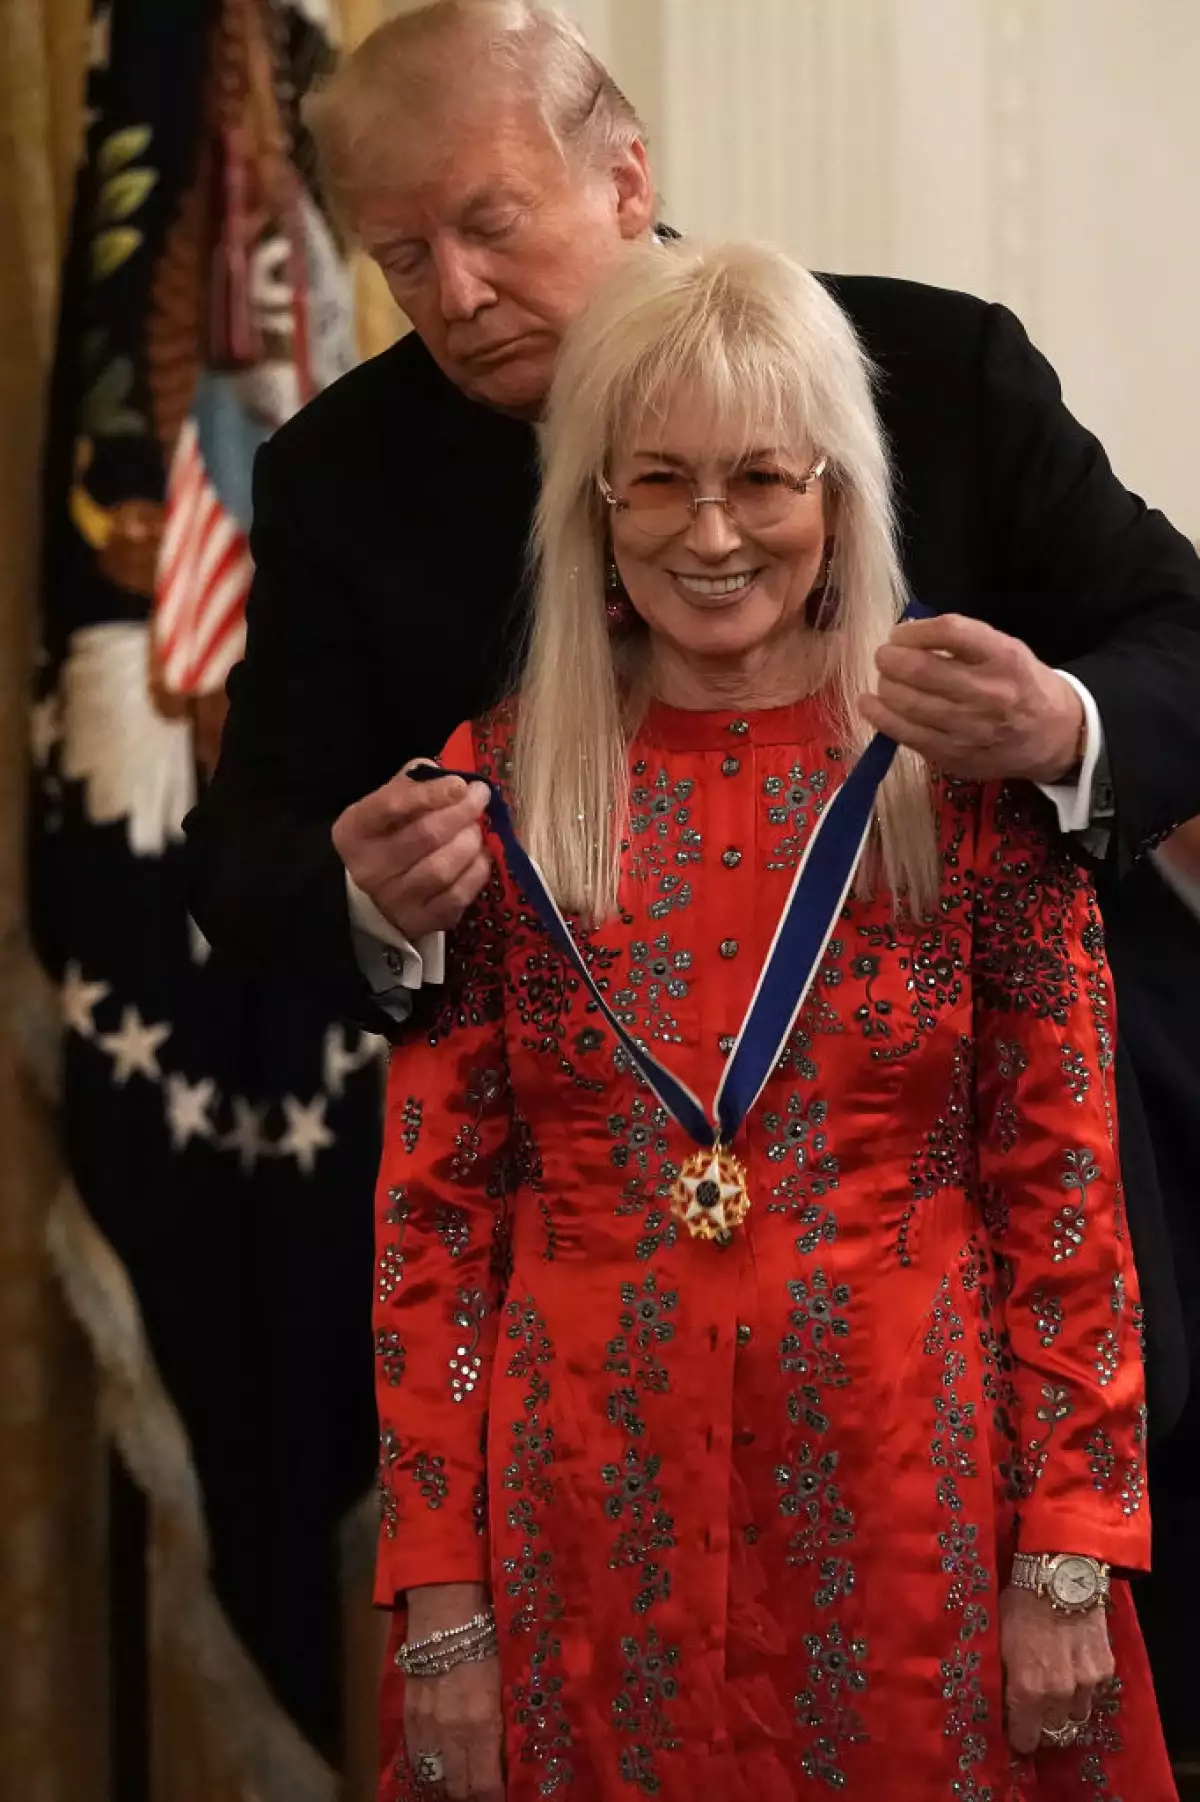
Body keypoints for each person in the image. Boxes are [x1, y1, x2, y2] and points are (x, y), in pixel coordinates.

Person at [184, 0, 1199, 1426]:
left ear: (626, 180)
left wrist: (1064, 726)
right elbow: (241, 854)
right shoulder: (342, 483)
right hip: (605, 1337)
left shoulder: (936, 373)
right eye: (402, 256)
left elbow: (1182, 639)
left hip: (1020, 1257)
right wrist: (363, 891)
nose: (456, 292)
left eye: (491, 224)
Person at [370, 238, 1173, 1802]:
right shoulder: (495, 784)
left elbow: (1064, 1191)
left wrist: (1070, 1556)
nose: (715, 532)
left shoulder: (963, 773)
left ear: (839, 497)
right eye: (658, 480)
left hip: (918, 1529)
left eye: (763, 479)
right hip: (579, 1545)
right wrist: (443, 1605)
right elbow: (432, 1229)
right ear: (596, 502)